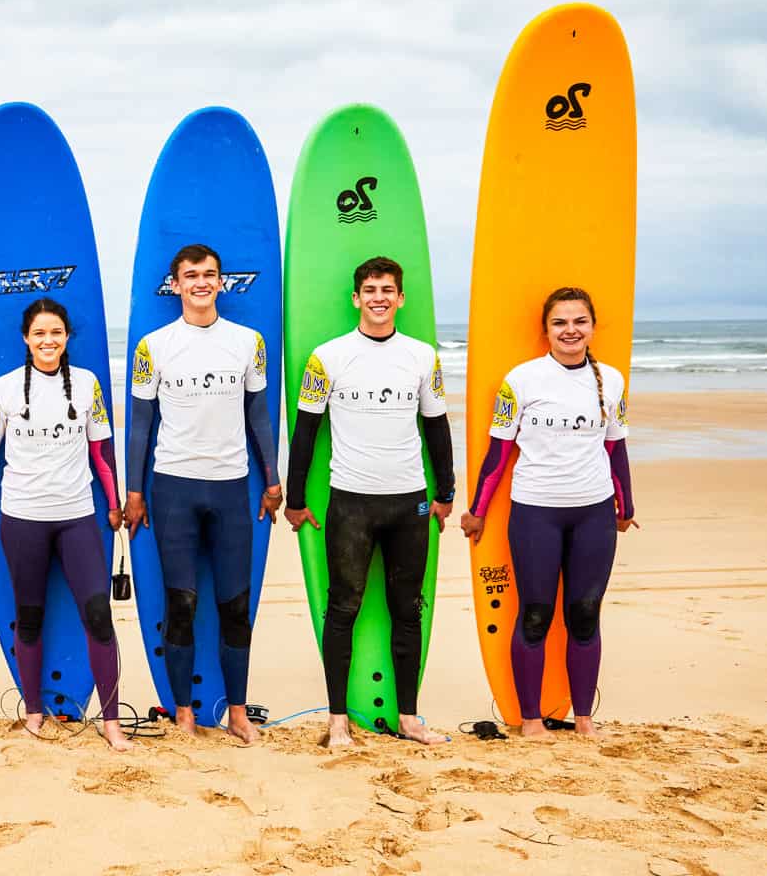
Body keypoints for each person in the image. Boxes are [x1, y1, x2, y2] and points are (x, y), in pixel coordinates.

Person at [284, 256, 454, 748]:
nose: (379, 297)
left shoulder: (422, 356)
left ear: (400, 299)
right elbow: (305, 433)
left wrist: (445, 493)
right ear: (356, 298)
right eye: (370, 290)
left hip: (409, 504)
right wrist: (295, 500)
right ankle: (337, 720)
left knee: (408, 609)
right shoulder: (327, 357)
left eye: (388, 290)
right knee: (343, 608)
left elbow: (436, 426)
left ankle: (409, 718)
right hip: (350, 504)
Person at [461, 286, 636, 739]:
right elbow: (498, 454)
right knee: (535, 616)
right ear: (546, 330)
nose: (570, 330)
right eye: (560, 322)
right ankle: (532, 720)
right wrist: (477, 510)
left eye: (579, 321)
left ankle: (583, 718)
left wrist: (625, 505)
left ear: (592, 327)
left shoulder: (612, 381)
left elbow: (615, 449)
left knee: (584, 615)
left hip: (593, 512)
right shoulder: (521, 380)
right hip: (536, 512)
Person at [124, 243, 282, 742]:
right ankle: (185, 714)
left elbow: (259, 413)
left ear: (221, 281)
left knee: (235, 605)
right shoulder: (153, 346)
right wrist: (134, 491)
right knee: (182, 604)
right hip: (173, 488)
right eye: (190, 275)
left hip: (232, 486)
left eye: (209, 274)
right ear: (175, 285)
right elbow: (140, 426)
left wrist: (272, 478)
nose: (200, 282)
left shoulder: (247, 342)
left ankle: (237, 712)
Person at [0, 298, 130, 751]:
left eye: (55, 332)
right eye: (39, 334)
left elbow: (102, 451)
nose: (48, 341)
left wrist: (113, 504)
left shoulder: (89, 385)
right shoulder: (5, 389)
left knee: (98, 616)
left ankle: (111, 721)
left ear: (67, 336)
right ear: (26, 339)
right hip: (23, 519)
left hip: (77, 517)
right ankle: (34, 712)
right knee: (29, 618)